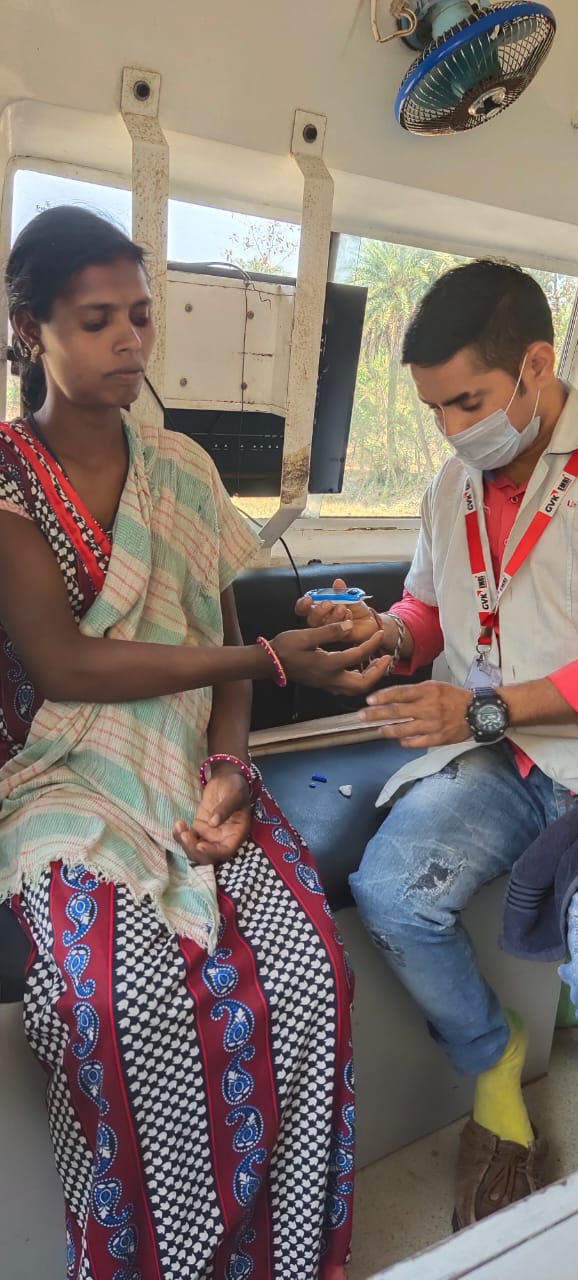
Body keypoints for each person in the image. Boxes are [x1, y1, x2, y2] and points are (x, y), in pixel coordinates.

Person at [0, 206, 391, 1280]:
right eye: (98, 320)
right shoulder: (6, 482)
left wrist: (229, 767)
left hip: (191, 753)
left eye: (140, 314)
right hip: (66, 769)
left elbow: (218, 637)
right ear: (31, 330)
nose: (131, 338)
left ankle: (286, 1253)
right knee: (114, 1004)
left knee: (309, 970)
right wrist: (266, 663)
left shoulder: (179, 465)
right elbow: (70, 668)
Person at [297, 259, 578, 1231]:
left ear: (534, 366)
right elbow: (428, 601)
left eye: (466, 400)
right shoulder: (449, 484)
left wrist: (477, 712)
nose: (454, 430)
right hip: (502, 759)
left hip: (562, 759)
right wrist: (387, 634)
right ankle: (493, 1060)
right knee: (389, 889)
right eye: (433, 410)